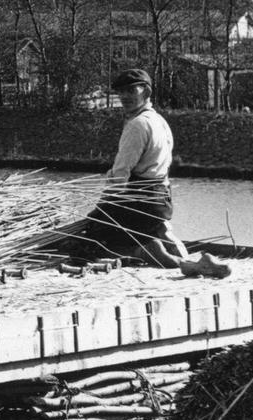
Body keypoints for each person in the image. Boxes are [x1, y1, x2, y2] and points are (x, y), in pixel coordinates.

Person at [71, 67, 190, 269]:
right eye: (121, 92)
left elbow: (120, 175)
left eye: (131, 91)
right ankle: (154, 237)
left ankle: (146, 248)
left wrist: (101, 209)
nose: (124, 97)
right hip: (160, 202)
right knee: (107, 228)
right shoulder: (159, 121)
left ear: (147, 92)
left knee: (87, 243)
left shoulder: (137, 125)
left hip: (138, 202)